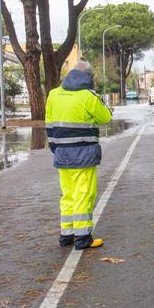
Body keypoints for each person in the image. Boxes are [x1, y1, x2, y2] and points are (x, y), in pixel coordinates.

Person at [45, 61, 113, 249]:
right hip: (83, 154)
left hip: (61, 153)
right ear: (89, 77)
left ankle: (66, 234)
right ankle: (83, 237)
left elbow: (49, 124)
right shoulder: (88, 96)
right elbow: (105, 117)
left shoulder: (54, 94)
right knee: (83, 194)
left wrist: (55, 147)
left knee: (67, 195)